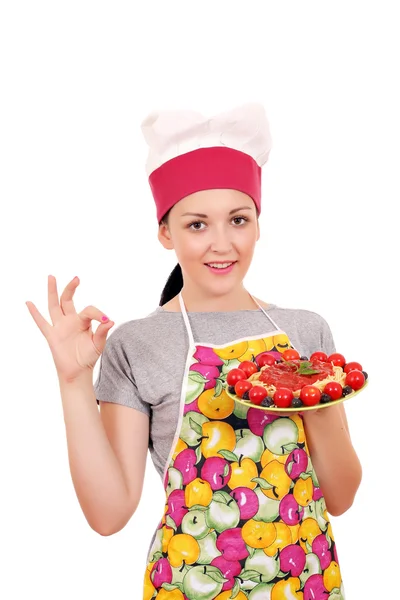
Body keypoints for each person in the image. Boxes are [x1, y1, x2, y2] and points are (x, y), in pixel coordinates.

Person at [26, 103, 362, 600]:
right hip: (188, 587)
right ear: (166, 232)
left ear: (257, 224)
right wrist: (73, 381)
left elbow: (341, 495)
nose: (222, 244)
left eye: (238, 220)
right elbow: (108, 513)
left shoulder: (305, 331)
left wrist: (314, 390)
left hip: (305, 584)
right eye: (197, 224)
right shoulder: (137, 344)